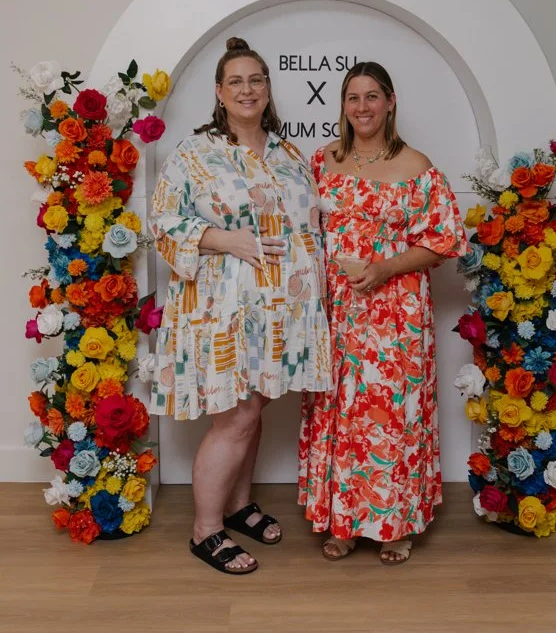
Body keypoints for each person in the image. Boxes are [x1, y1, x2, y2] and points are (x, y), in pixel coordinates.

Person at [150, 37, 331, 575]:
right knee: (238, 415)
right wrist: (227, 240)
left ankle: (237, 506)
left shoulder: (287, 152)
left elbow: (312, 220)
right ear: (219, 92)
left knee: (256, 409)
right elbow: (162, 220)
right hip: (223, 309)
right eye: (237, 81)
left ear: (268, 89)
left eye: (257, 80)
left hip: (281, 312)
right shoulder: (195, 152)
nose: (248, 89)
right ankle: (205, 531)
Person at [298, 61, 467, 564]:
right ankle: (344, 521)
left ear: (390, 102)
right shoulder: (322, 161)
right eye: (353, 97)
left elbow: (446, 240)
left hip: (396, 312)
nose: (363, 107)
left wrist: (385, 267)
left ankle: (395, 524)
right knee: (340, 413)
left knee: (392, 416)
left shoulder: (416, 165)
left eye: (373, 97)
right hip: (336, 311)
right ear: (342, 106)